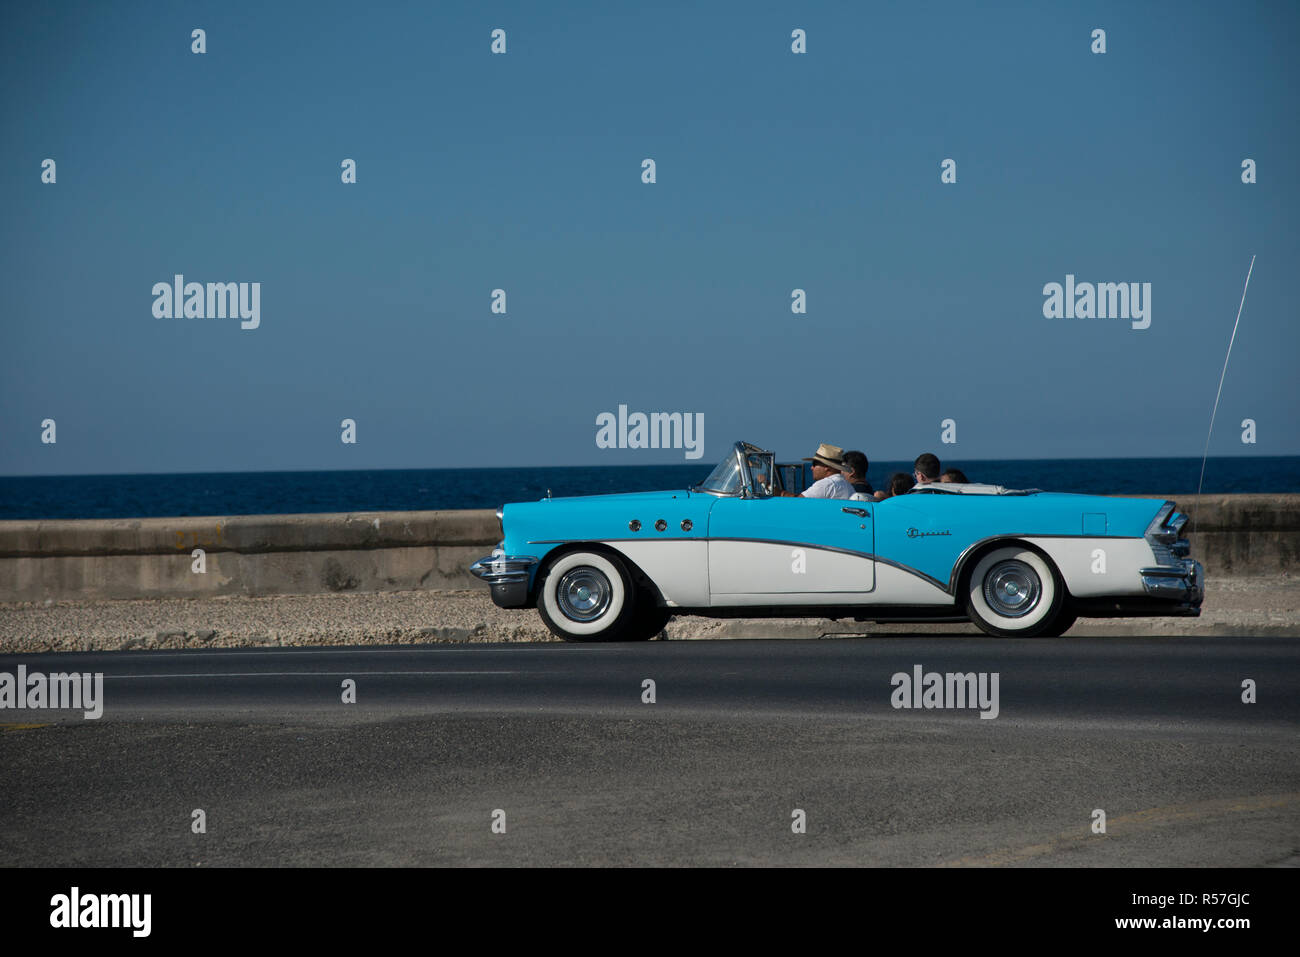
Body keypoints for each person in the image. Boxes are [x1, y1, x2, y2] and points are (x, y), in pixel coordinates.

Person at [781, 443, 855, 499]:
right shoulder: (847, 485)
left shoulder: (827, 484)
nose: (812, 468)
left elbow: (799, 502)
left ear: (827, 467)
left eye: (815, 464)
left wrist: (779, 493)